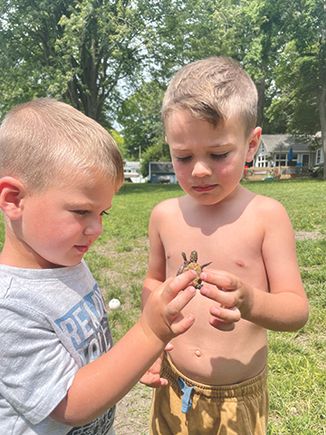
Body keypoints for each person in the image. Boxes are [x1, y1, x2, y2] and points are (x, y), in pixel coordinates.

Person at [0, 98, 198, 434]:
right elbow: (71, 404)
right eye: (81, 212)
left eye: (102, 213)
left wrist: (132, 360)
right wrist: (148, 334)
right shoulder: (10, 306)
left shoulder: (65, 262)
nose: (97, 229)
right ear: (13, 200)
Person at [141, 56, 309, 434]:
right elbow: (153, 285)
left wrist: (251, 302)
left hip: (236, 397)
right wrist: (150, 345)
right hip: (174, 384)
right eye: (183, 157)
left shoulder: (266, 216)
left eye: (218, 155)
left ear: (251, 145)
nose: (199, 170)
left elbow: (296, 309)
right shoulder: (164, 216)